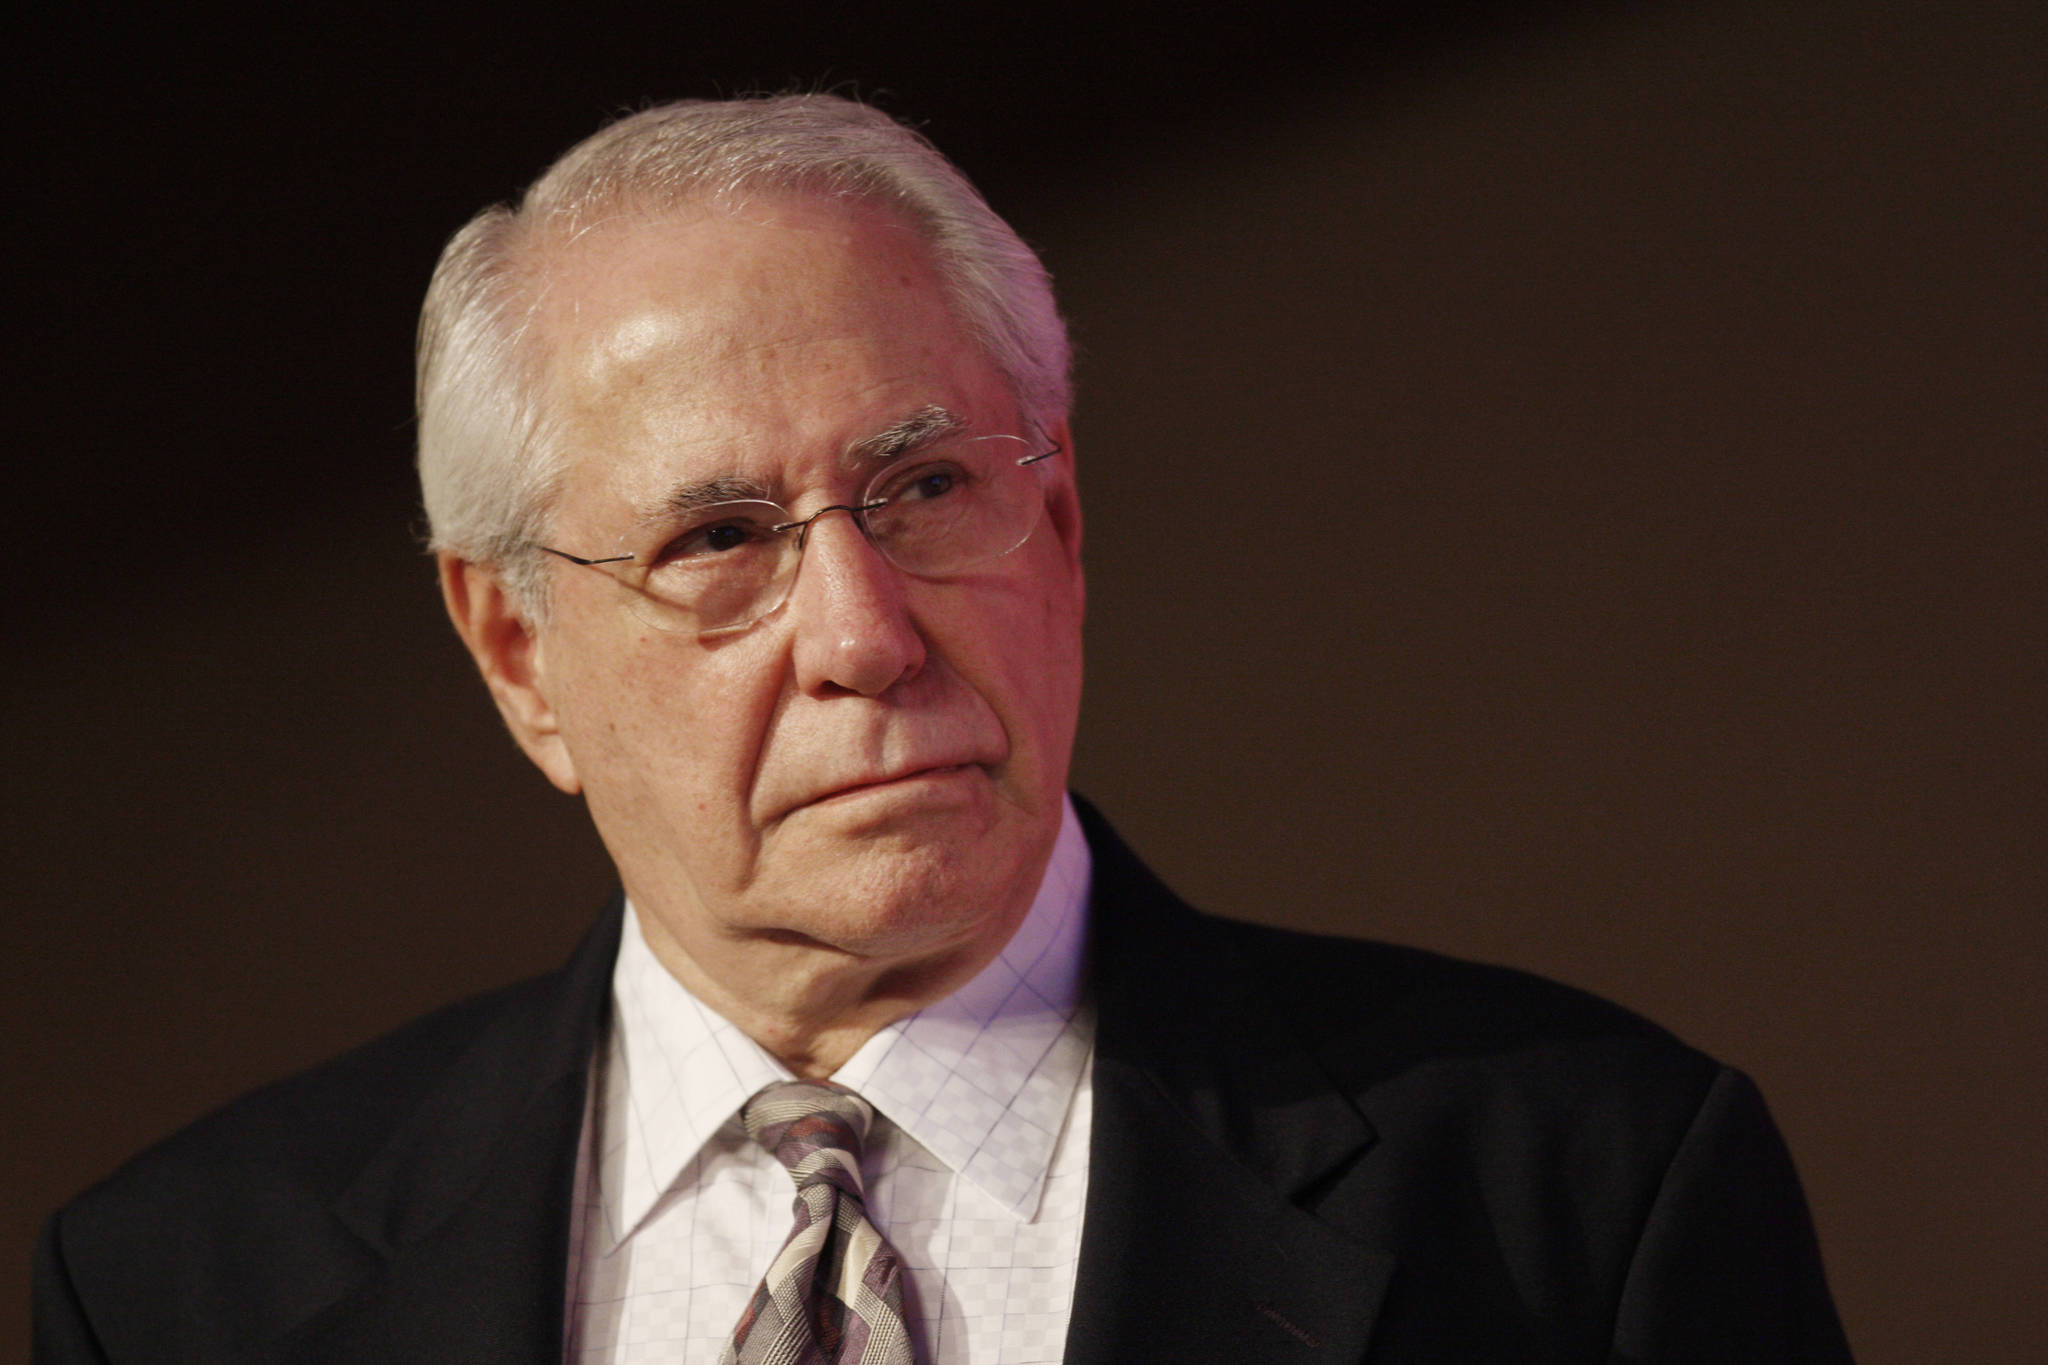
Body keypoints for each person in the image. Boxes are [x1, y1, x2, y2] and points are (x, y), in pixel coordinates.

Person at [33, 94, 1854, 1364]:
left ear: (1059, 528)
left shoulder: (1585, 1199)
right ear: (519, 649)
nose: (864, 631)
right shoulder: (185, 1288)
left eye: (921, 486)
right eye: (721, 539)